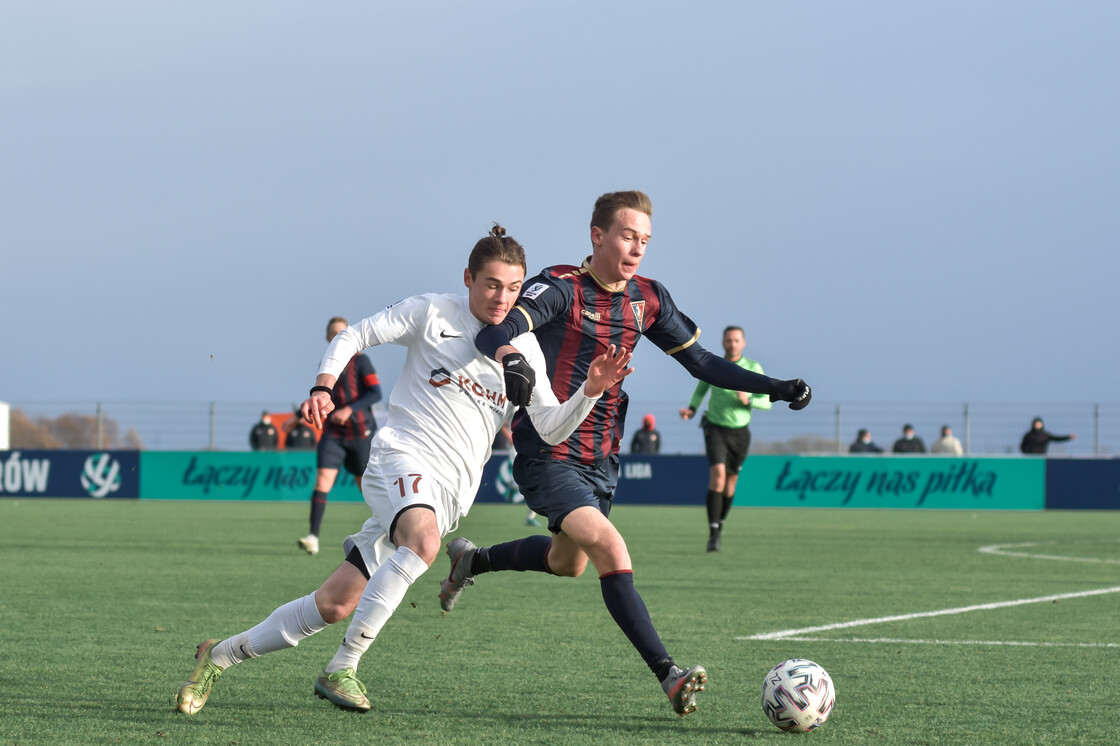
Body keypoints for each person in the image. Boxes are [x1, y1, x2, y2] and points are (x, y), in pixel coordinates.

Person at [175, 225, 634, 716]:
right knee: (423, 542)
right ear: (468, 279)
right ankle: (342, 668)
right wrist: (324, 386)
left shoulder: (527, 352)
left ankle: (218, 656)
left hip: (449, 494)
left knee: (334, 604)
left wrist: (589, 391)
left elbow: (551, 427)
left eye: (514, 287)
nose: (502, 298)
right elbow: (355, 334)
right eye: (491, 285)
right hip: (400, 457)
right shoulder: (433, 311)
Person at [446, 190, 812, 718]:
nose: (637, 247)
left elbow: (703, 362)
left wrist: (772, 386)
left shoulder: (649, 298)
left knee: (566, 562)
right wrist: (510, 358)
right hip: (549, 449)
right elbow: (497, 331)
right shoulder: (561, 287)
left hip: (602, 458)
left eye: (644, 239)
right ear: (597, 235)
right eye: (626, 235)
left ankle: (472, 559)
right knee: (612, 552)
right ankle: (669, 674)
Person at [679, 325, 771, 552]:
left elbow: (767, 401)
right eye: (729, 340)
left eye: (736, 340)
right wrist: (691, 409)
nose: (732, 344)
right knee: (718, 476)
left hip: (740, 432)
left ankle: (720, 523)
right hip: (715, 427)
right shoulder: (715, 366)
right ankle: (713, 532)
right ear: (723, 342)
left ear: (743, 343)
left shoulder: (752, 367)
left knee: (730, 484)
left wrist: (749, 401)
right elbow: (702, 388)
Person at [298, 317, 383, 556]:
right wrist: (297, 416)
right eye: (334, 333)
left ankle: (387, 532)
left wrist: (350, 409)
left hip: (360, 434)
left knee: (368, 489)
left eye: (343, 332)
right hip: (333, 435)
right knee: (322, 481)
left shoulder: (362, 362)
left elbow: (376, 393)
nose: (338, 336)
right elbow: (321, 396)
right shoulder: (326, 365)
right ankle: (313, 537)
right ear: (327, 338)